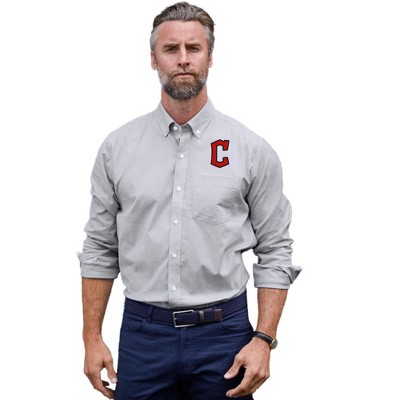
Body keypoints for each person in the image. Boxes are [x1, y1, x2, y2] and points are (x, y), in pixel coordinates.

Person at [79, 2, 301, 399]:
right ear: (153, 59)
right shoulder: (117, 149)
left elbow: (275, 248)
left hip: (225, 336)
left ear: (210, 57)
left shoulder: (250, 150)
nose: (183, 59)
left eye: (193, 48)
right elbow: (99, 247)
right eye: (171, 49)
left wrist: (264, 338)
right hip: (143, 335)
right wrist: (91, 338)